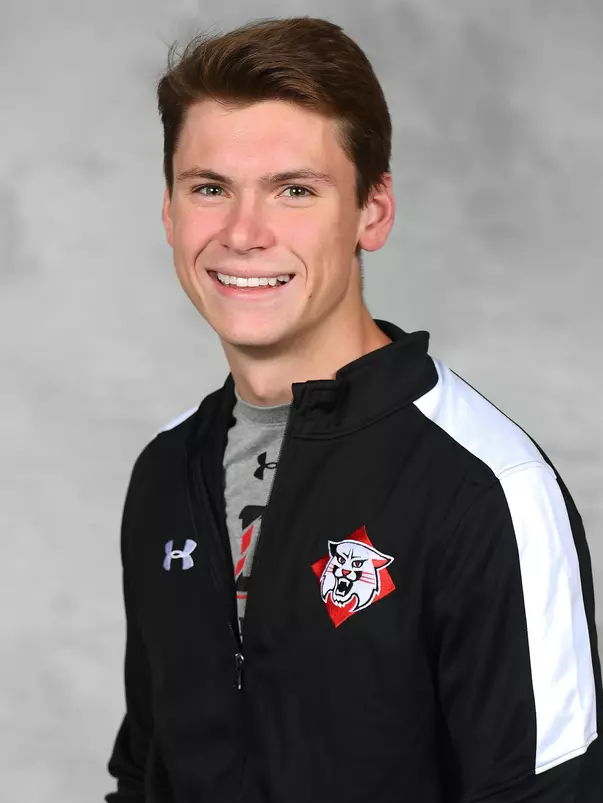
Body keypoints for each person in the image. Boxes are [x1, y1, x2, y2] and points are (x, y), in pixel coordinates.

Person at [105, 16, 602, 803]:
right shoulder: (167, 471)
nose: (242, 233)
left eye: (294, 190)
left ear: (373, 211)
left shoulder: (485, 486)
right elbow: (145, 774)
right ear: (170, 212)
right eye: (210, 188)